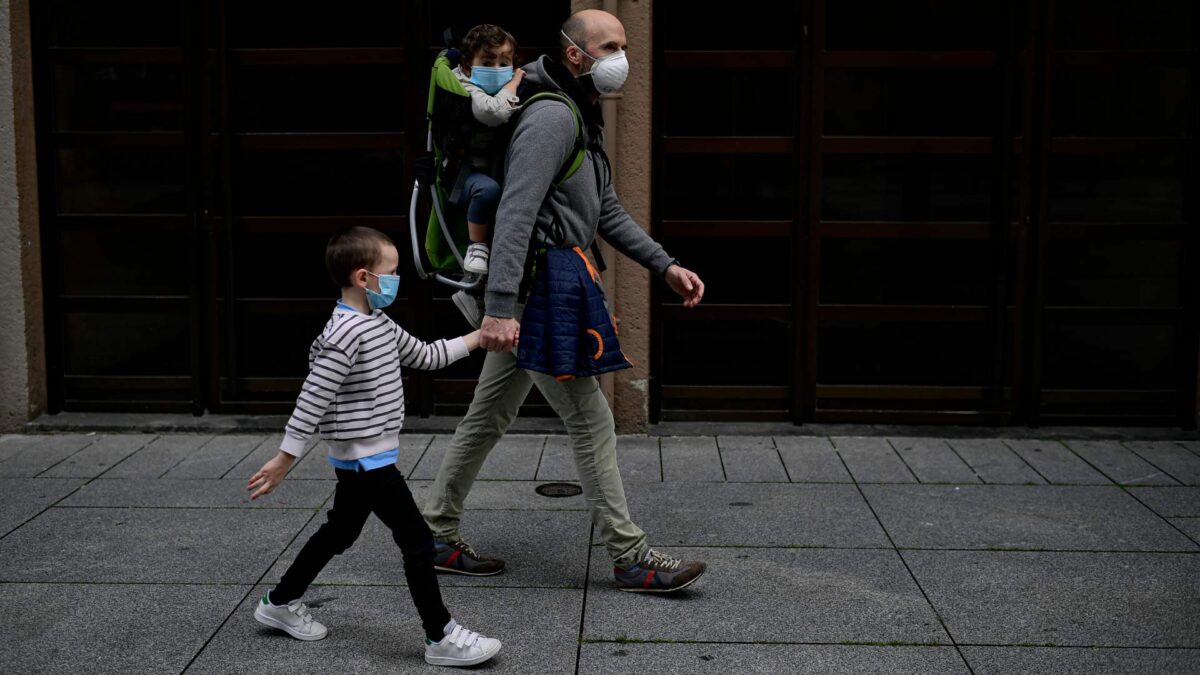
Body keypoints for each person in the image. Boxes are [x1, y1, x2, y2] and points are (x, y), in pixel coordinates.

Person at [423, 9, 709, 594]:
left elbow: (603, 209)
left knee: (487, 416)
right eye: (610, 46)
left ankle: (435, 531)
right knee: (591, 418)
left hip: (540, 285)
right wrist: (501, 306)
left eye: (624, 44)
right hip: (537, 289)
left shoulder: (577, 111)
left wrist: (665, 265)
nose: (622, 57)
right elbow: (516, 212)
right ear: (575, 54)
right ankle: (630, 557)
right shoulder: (552, 115)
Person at [245, 226, 505, 667]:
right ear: (364, 277)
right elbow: (312, 397)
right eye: (393, 271)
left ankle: (280, 601)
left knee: (340, 532)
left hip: (368, 457)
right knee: (419, 543)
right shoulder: (344, 333)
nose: (398, 279)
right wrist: (284, 459)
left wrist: (480, 337)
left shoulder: (377, 322)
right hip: (367, 462)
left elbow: (426, 354)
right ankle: (441, 636)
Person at [453, 23, 525, 277]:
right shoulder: (464, 85)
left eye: (504, 63)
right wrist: (514, 82)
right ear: (467, 67)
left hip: (497, 167)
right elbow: (493, 112)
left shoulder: (504, 85)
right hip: (464, 178)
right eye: (488, 61)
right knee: (488, 190)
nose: (497, 69)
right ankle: (477, 247)